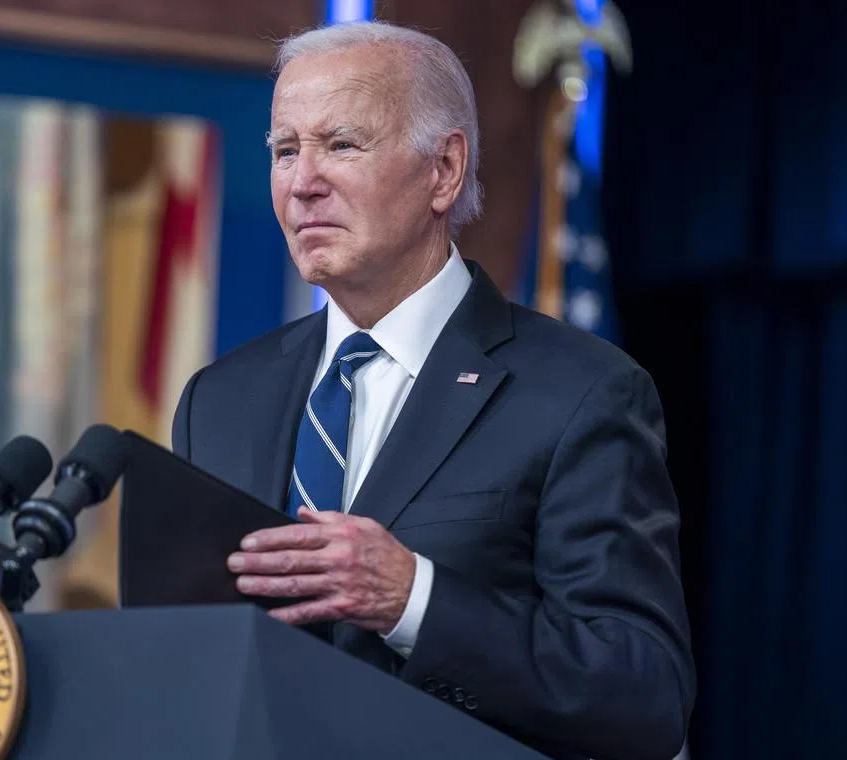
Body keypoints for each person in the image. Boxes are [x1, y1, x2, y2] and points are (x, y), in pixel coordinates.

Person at [171, 21, 694, 760]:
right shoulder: (217, 400)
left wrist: (413, 597)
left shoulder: (585, 394)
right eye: (285, 150)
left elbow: (642, 696)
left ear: (444, 170)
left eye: (341, 145)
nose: (302, 180)